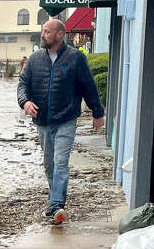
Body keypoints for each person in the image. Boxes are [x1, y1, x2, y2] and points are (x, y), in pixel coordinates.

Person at [17, 18, 105, 225]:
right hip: (42, 121)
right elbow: (23, 84)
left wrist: (97, 112)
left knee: (60, 163)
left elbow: (88, 87)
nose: (43, 34)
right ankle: (55, 200)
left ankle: (57, 204)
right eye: (43, 31)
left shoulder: (75, 58)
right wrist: (25, 102)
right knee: (49, 164)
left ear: (59, 34)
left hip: (66, 119)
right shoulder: (35, 59)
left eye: (47, 31)